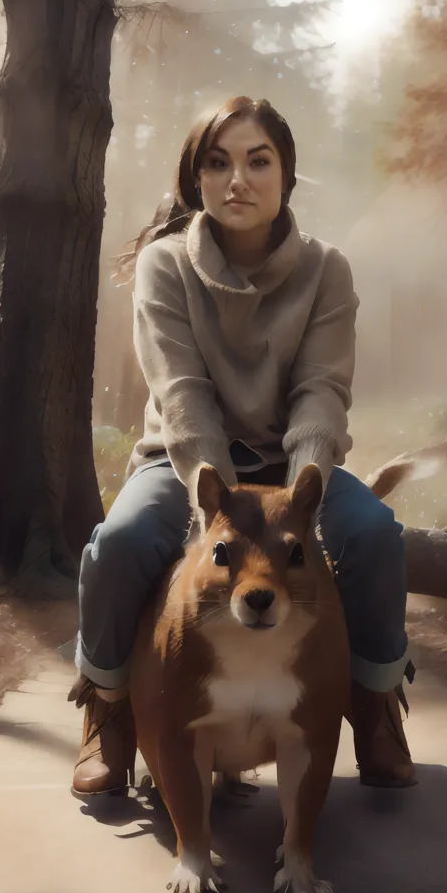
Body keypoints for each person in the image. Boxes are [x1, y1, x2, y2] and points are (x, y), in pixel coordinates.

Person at [69, 96, 417, 797]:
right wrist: (214, 512)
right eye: (218, 162)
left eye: (259, 161)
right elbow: (182, 393)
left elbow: (322, 388)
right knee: (120, 544)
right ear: (195, 180)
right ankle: (106, 708)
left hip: (290, 471)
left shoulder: (328, 270)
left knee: (376, 533)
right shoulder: (164, 266)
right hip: (184, 466)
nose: (239, 180)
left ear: (286, 175)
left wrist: (306, 496)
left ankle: (376, 703)